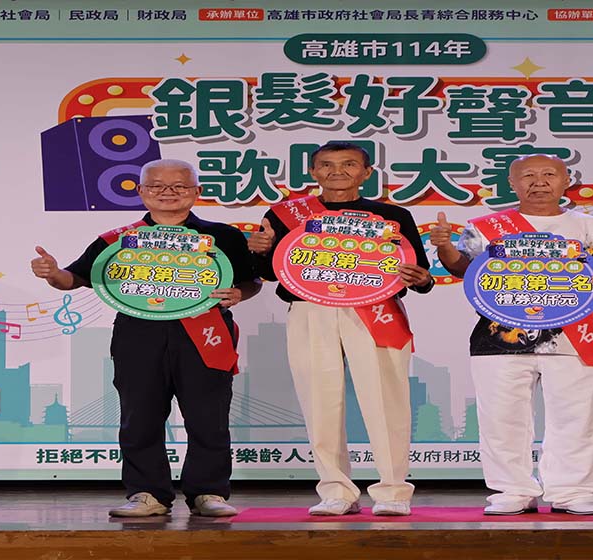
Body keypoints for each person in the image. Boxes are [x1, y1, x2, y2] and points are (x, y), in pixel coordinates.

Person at [31, 159, 261, 517]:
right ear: (140, 191)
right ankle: (147, 493)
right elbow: (74, 278)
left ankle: (209, 493)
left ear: (197, 192)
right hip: (139, 334)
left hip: (206, 333)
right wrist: (52, 273)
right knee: (140, 417)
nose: (167, 192)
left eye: (179, 186)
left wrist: (239, 294)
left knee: (208, 417)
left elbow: (251, 281)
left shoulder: (224, 236)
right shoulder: (116, 240)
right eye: (156, 186)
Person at [430, 154, 593, 516]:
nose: (539, 182)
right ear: (512, 183)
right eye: (528, 176)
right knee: (501, 418)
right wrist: (445, 246)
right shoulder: (486, 226)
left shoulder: (592, 227)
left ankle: (573, 492)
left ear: (566, 180)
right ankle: (512, 491)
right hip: (497, 337)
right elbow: (463, 268)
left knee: (576, 417)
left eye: (549, 174)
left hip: (575, 337)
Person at [248, 142, 434, 516]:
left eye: (349, 164)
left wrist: (422, 279)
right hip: (310, 309)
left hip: (375, 310)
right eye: (327, 165)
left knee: (386, 400)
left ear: (367, 173)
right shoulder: (286, 214)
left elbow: (419, 274)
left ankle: (393, 492)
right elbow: (271, 271)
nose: (337, 171)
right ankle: (336, 490)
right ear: (313, 172)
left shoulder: (393, 216)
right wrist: (260, 250)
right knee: (319, 400)